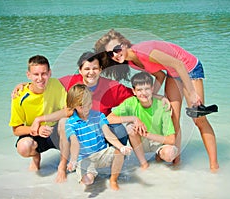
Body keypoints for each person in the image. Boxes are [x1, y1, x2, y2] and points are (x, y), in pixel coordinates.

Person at [12, 51, 170, 182]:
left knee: (120, 129)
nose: (91, 72)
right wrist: (22, 85)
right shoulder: (69, 82)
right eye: (86, 69)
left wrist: (159, 97)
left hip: (101, 130)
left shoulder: (112, 87)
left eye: (95, 68)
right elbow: (41, 82)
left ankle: (115, 167)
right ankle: (79, 165)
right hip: (80, 133)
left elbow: (138, 94)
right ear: (80, 70)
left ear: (100, 69)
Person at [94, 29, 219, 171]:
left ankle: (214, 166)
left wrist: (191, 93)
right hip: (173, 74)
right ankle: (176, 163)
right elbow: (160, 76)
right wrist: (153, 96)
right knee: (173, 118)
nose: (115, 55)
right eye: (111, 53)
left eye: (116, 49)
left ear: (124, 44)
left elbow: (178, 64)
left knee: (199, 120)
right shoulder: (133, 62)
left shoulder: (144, 51)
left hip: (189, 69)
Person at [64, 84, 132, 190]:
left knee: (119, 151)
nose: (86, 108)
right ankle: (89, 175)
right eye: (81, 106)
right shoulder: (70, 123)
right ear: (73, 105)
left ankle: (113, 180)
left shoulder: (99, 116)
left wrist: (121, 146)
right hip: (84, 158)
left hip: (101, 153)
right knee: (88, 182)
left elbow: (108, 135)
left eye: (88, 104)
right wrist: (73, 160)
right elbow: (74, 143)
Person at [107, 72, 177, 169]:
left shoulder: (162, 105)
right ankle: (144, 164)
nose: (143, 93)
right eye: (139, 90)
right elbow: (109, 119)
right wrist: (134, 118)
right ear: (134, 91)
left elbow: (171, 140)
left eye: (147, 89)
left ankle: (159, 157)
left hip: (158, 142)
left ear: (152, 89)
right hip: (140, 143)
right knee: (130, 128)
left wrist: (146, 134)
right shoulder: (131, 102)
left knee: (170, 153)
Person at [8, 55, 67, 171]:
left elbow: (68, 110)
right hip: (35, 134)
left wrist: (41, 119)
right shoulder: (19, 96)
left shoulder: (55, 84)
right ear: (28, 75)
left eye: (44, 73)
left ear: (50, 73)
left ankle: (63, 163)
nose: (40, 78)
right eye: (36, 74)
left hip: (55, 131)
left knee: (66, 122)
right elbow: (16, 129)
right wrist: (36, 130)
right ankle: (36, 158)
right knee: (23, 147)